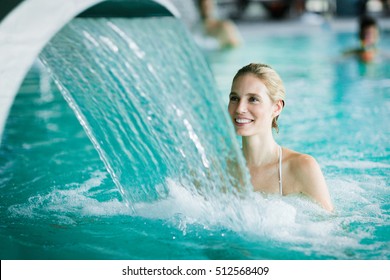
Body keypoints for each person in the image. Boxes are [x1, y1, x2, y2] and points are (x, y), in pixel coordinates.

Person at [228, 63, 334, 211]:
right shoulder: (221, 168)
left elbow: (329, 228)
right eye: (234, 98)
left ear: (276, 108)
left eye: (253, 99)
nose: (239, 108)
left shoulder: (302, 167)